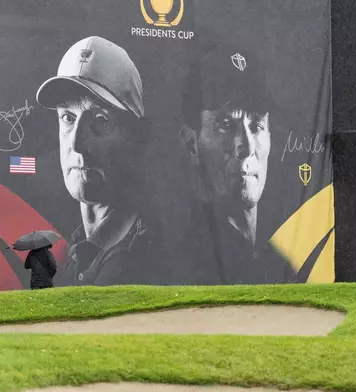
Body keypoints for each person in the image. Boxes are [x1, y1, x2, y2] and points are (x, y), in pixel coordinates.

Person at [36, 36, 168, 287]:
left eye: (100, 120)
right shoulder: (78, 251)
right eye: (67, 118)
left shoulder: (142, 262)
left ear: (136, 136)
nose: (77, 144)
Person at [177, 42, 298, 285]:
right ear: (192, 144)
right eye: (225, 126)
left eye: (256, 127)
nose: (247, 147)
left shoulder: (280, 259)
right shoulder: (185, 260)